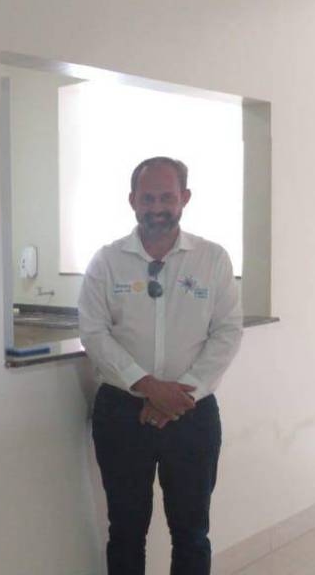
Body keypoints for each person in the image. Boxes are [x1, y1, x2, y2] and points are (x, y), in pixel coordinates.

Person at [79, 157, 243, 575]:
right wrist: (149, 386)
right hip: (122, 413)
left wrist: (180, 395)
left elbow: (226, 333)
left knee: (191, 533)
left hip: (192, 414)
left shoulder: (212, 259)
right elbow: (93, 333)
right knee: (126, 531)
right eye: (148, 198)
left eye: (166, 197)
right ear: (132, 200)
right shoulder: (107, 261)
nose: (157, 207)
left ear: (184, 198)